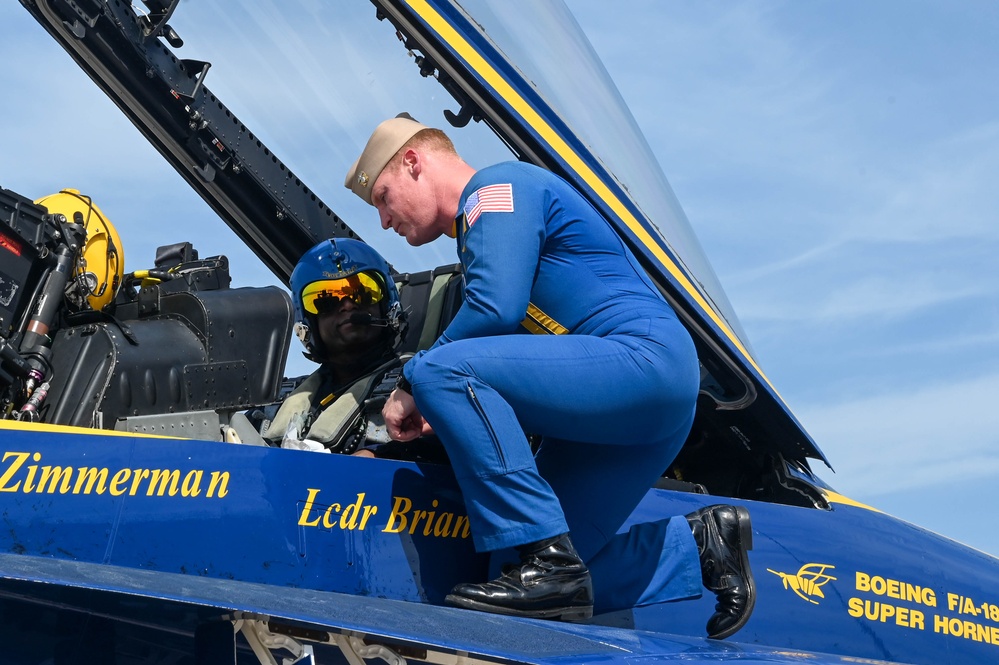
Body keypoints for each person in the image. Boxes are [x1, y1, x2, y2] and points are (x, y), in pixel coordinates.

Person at [343, 115, 755, 638]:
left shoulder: (494, 190)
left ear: (413, 162)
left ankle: (555, 564)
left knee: (441, 369)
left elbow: (495, 309)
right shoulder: (480, 225)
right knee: (521, 583)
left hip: (642, 363)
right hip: (625, 409)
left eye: (382, 198)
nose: (383, 221)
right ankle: (698, 546)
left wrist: (413, 384)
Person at [258, 237, 419, 459]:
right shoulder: (278, 403)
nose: (348, 305)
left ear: (386, 305)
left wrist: (379, 455)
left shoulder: (416, 387)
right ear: (308, 323)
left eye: (363, 292)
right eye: (326, 300)